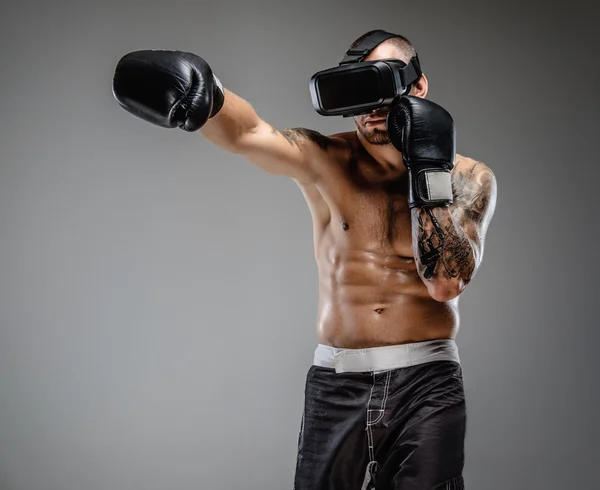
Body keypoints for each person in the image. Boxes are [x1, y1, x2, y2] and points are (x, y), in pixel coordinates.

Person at [112, 29, 497, 490]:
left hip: (427, 383)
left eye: (383, 84)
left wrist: (428, 170)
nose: (371, 106)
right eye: (358, 88)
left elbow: (445, 283)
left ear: (418, 87)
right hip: (338, 384)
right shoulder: (326, 158)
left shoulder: (469, 177)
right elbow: (253, 133)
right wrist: (207, 95)